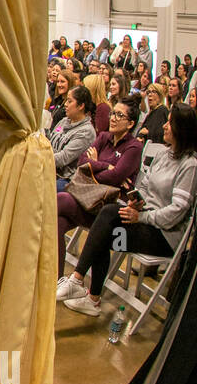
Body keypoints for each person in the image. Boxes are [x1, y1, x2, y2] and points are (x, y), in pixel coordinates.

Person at [58, 103, 197, 316]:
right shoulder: (164, 155)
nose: (164, 126)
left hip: (162, 237)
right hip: (144, 221)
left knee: (105, 221)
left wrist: (141, 216)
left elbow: (176, 211)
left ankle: (79, 281)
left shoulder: (190, 165)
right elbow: (142, 185)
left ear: (182, 128)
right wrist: (137, 201)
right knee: (104, 228)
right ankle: (90, 296)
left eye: (170, 122)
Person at [55, 96, 142, 277]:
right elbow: (82, 162)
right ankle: (56, 279)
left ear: (130, 123)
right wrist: (103, 165)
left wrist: (94, 165)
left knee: (60, 198)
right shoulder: (103, 137)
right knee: (58, 223)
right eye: (113, 113)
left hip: (111, 207)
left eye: (119, 115)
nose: (113, 118)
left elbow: (115, 177)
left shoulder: (134, 148)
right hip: (89, 198)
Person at [47, 86, 96, 192]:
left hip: (66, 177)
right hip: (50, 167)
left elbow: (63, 158)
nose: (65, 104)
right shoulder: (64, 121)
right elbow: (49, 142)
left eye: (70, 101)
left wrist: (41, 157)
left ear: (81, 106)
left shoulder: (86, 132)